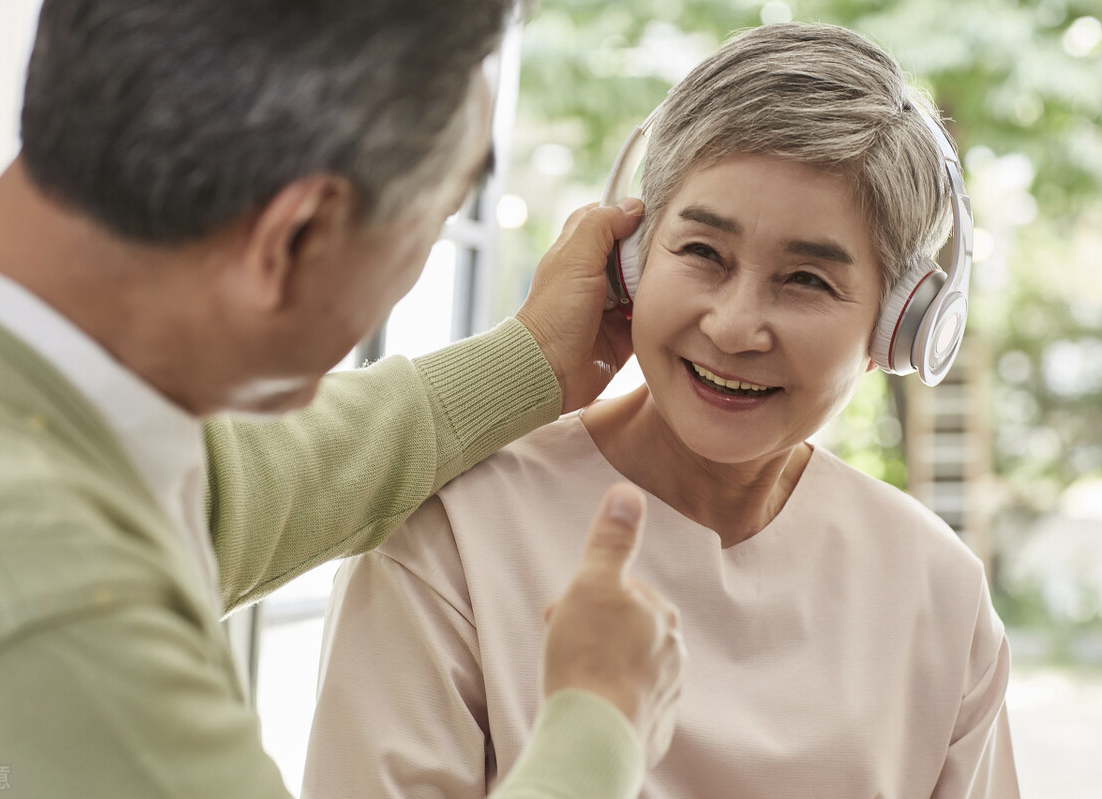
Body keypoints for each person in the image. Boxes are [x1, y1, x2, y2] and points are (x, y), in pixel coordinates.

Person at [0, 1, 687, 797]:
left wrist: (529, 364)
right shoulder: (46, 608)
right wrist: (598, 723)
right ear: (296, 235)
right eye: (437, 215)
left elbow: (228, 485)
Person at [306, 22, 1021, 799]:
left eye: (807, 279)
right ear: (631, 259)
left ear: (898, 326)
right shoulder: (454, 533)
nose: (734, 326)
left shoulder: (939, 592)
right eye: (703, 253)